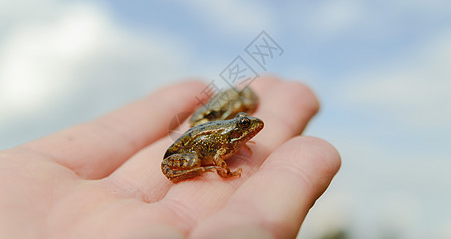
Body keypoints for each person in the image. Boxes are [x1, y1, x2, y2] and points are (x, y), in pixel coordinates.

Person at [0, 76, 341, 238]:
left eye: (246, 127)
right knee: (193, 162)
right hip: (184, 152)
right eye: (245, 127)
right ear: (238, 128)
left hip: (194, 139)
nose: (251, 129)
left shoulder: (234, 135)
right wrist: (220, 170)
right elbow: (220, 161)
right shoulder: (227, 141)